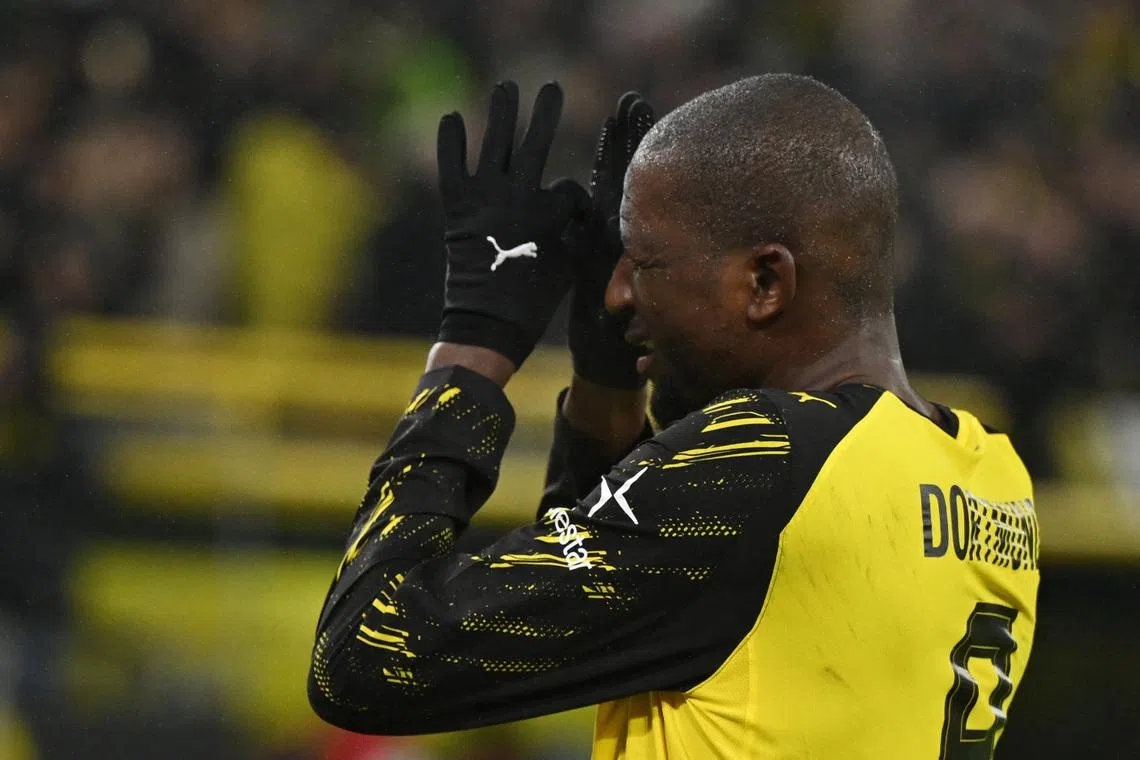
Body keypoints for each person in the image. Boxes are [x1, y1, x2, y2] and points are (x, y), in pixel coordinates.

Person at [308, 75, 1040, 759]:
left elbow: (366, 659)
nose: (619, 293)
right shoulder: (993, 477)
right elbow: (627, 620)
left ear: (764, 281)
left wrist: (470, 351)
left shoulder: (762, 460)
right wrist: (605, 377)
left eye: (646, 263)